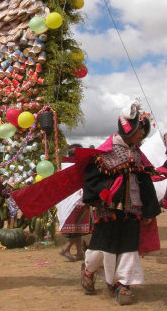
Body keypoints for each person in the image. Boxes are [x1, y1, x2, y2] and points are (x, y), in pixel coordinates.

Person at [81, 102, 161, 305]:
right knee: (101, 249)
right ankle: (89, 271)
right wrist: (103, 194)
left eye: (143, 130)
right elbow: (91, 181)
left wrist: (150, 210)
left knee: (128, 248)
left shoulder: (138, 156)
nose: (142, 134)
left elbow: (145, 183)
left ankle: (122, 284)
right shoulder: (104, 153)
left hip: (132, 212)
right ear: (128, 129)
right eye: (139, 129)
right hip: (108, 212)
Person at [57, 144, 91, 261]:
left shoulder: (64, 165)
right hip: (77, 200)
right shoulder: (79, 166)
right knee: (77, 227)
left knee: (77, 227)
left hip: (67, 200)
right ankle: (66, 248)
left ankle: (79, 252)